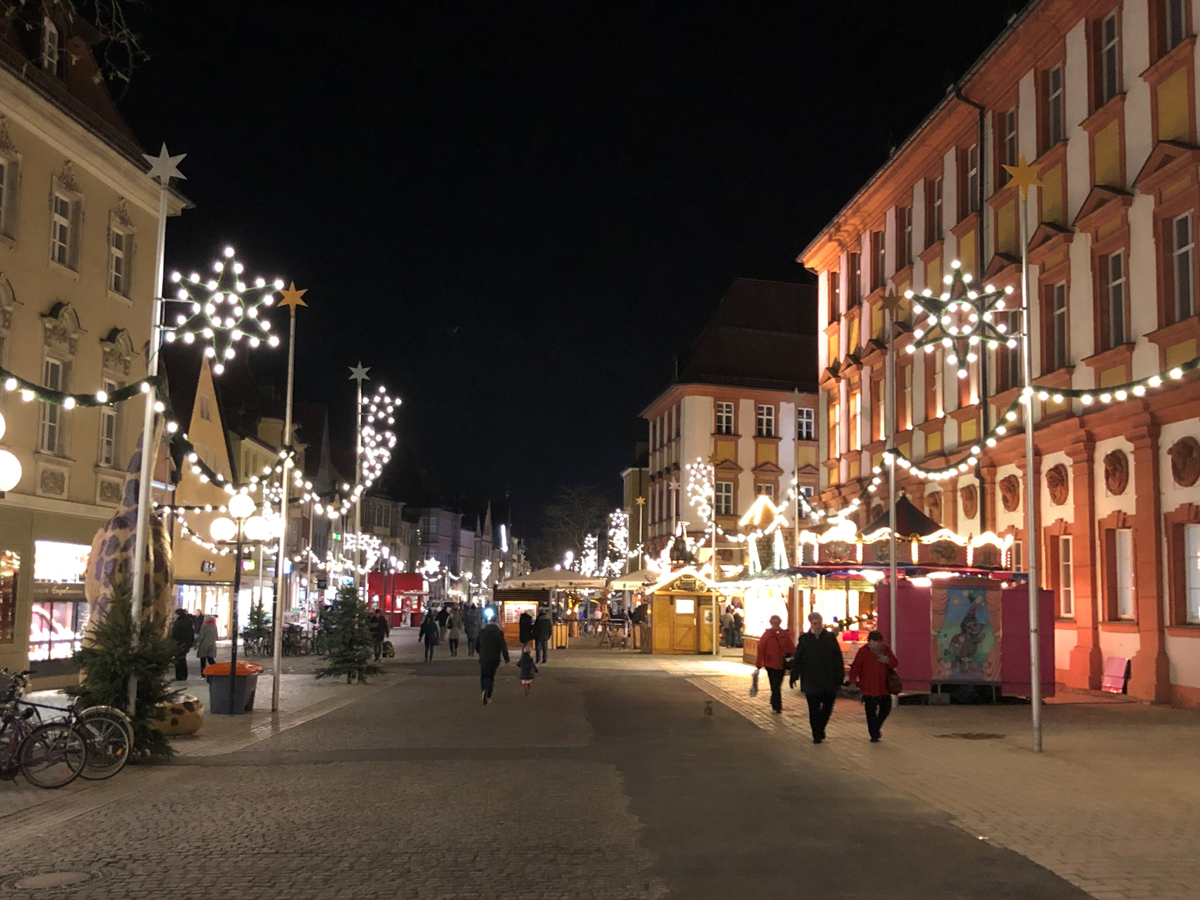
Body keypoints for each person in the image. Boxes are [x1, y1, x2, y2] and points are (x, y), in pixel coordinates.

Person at [790, 612, 845, 744]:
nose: (817, 626)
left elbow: (838, 658)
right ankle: (817, 733)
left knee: (827, 707)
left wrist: (840, 676)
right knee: (813, 709)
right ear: (810, 624)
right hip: (811, 680)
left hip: (829, 679)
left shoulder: (830, 637)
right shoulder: (805, 639)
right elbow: (798, 659)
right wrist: (794, 676)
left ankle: (821, 727)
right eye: (815, 623)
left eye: (819, 623)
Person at [849, 630, 900, 743]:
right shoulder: (863, 652)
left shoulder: (885, 650)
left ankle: (876, 726)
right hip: (868, 688)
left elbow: (895, 663)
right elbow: (856, 667)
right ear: (869, 641)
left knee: (886, 708)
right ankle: (873, 733)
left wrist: (887, 660)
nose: (877, 644)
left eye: (879, 642)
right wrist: (852, 681)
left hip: (884, 687)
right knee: (870, 712)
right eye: (874, 642)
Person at [754, 614, 796, 714]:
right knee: (775, 684)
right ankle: (776, 704)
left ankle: (775, 702)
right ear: (771, 623)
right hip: (771, 664)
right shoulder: (769, 634)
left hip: (780, 664)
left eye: (777, 623)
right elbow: (761, 649)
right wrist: (758, 664)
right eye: (774, 623)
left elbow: (791, 648)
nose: (775, 624)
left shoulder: (776, 634)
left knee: (776, 685)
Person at [476, 614, 510, 704]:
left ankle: (484, 690)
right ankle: (488, 694)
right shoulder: (498, 632)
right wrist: (506, 658)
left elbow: (477, 645)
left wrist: (480, 653)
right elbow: (503, 646)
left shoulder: (482, 631)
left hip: (484, 657)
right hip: (494, 657)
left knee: (483, 675)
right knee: (491, 676)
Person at [169, 608, 195, 681]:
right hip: (186, 644)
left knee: (178, 660)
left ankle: (179, 676)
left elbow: (174, 634)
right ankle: (184, 675)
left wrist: (172, 643)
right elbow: (191, 632)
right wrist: (191, 642)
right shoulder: (188, 621)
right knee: (183, 659)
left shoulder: (178, 622)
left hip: (178, 643)